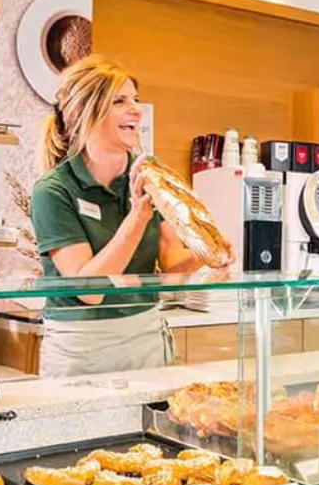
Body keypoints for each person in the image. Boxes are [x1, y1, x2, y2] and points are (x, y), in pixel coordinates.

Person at [30, 56, 206, 376]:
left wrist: (206, 252)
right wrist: (137, 217)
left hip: (146, 336)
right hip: (83, 345)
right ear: (87, 112)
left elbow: (170, 267)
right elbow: (91, 290)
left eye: (135, 100)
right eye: (120, 101)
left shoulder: (149, 176)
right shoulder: (53, 191)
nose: (137, 110)